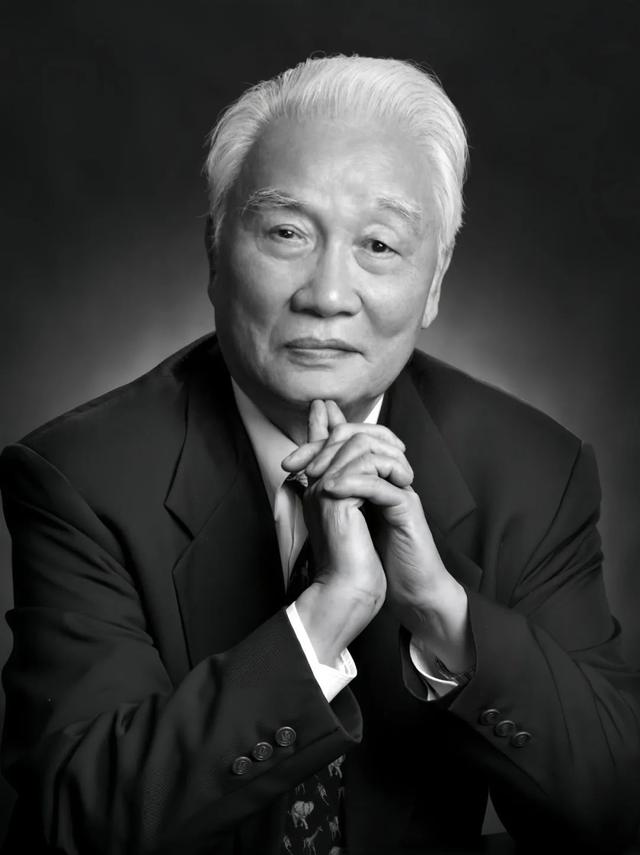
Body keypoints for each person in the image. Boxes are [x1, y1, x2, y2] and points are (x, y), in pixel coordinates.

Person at [0, 54, 638, 855]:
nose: (328, 295)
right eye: (287, 233)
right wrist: (326, 614)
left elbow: (615, 807)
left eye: (379, 244)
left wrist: (445, 616)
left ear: (435, 280)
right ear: (214, 252)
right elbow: (79, 818)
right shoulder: (82, 476)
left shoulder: (533, 471)